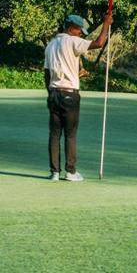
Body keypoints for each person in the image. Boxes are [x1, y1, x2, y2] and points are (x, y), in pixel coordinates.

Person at [44, 13, 112, 181]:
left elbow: (47, 74)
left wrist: (50, 93)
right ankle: (71, 172)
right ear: (70, 28)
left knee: (54, 134)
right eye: (79, 30)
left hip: (54, 93)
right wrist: (106, 24)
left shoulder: (50, 45)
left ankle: (54, 172)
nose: (80, 33)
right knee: (70, 134)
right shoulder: (73, 41)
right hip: (70, 93)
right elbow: (99, 43)